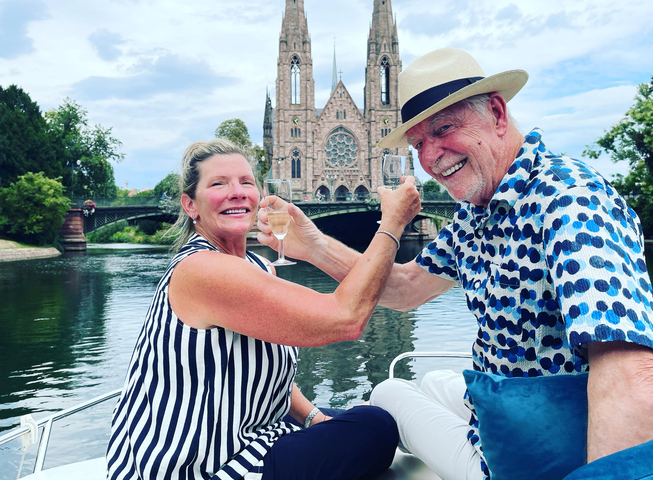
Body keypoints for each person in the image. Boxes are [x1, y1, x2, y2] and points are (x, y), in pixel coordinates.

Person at [257, 48, 653, 479]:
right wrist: (315, 246)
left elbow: (635, 375)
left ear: (496, 112)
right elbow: (403, 288)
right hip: (510, 404)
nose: (431, 156)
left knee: (388, 391)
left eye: (445, 128)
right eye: (418, 143)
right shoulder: (478, 212)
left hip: (535, 451)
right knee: (434, 383)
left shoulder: (571, 200)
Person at [106, 139, 421, 480]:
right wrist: (392, 223)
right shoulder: (202, 270)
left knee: (368, 416)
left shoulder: (257, 266)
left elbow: (272, 377)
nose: (237, 192)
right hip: (195, 464)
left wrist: (313, 417)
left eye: (246, 182)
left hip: (251, 436)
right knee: (376, 425)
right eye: (218, 183)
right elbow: (345, 319)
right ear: (190, 205)